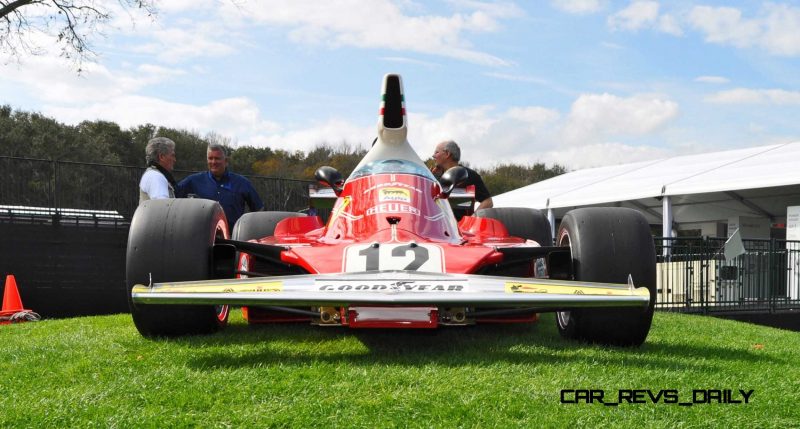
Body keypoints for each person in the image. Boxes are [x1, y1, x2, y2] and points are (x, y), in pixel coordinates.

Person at [176, 143, 264, 230]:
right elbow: (173, 196)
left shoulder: (242, 182)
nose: (213, 162)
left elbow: (259, 210)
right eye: (210, 158)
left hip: (234, 239)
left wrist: (250, 230)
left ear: (226, 161)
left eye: (217, 158)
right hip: (203, 238)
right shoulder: (193, 181)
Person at [431, 140, 493, 218]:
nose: (433, 156)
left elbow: (488, 202)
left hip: (460, 229)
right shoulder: (434, 176)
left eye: (436, 152)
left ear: (447, 154)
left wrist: (472, 219)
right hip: (437, 227)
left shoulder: (470, 175)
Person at [139, 137, 178, 203]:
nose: (175, 160)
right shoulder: (156, 177)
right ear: (161, 157)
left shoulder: (152, 174)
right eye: (172, 155)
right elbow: (163, 208)